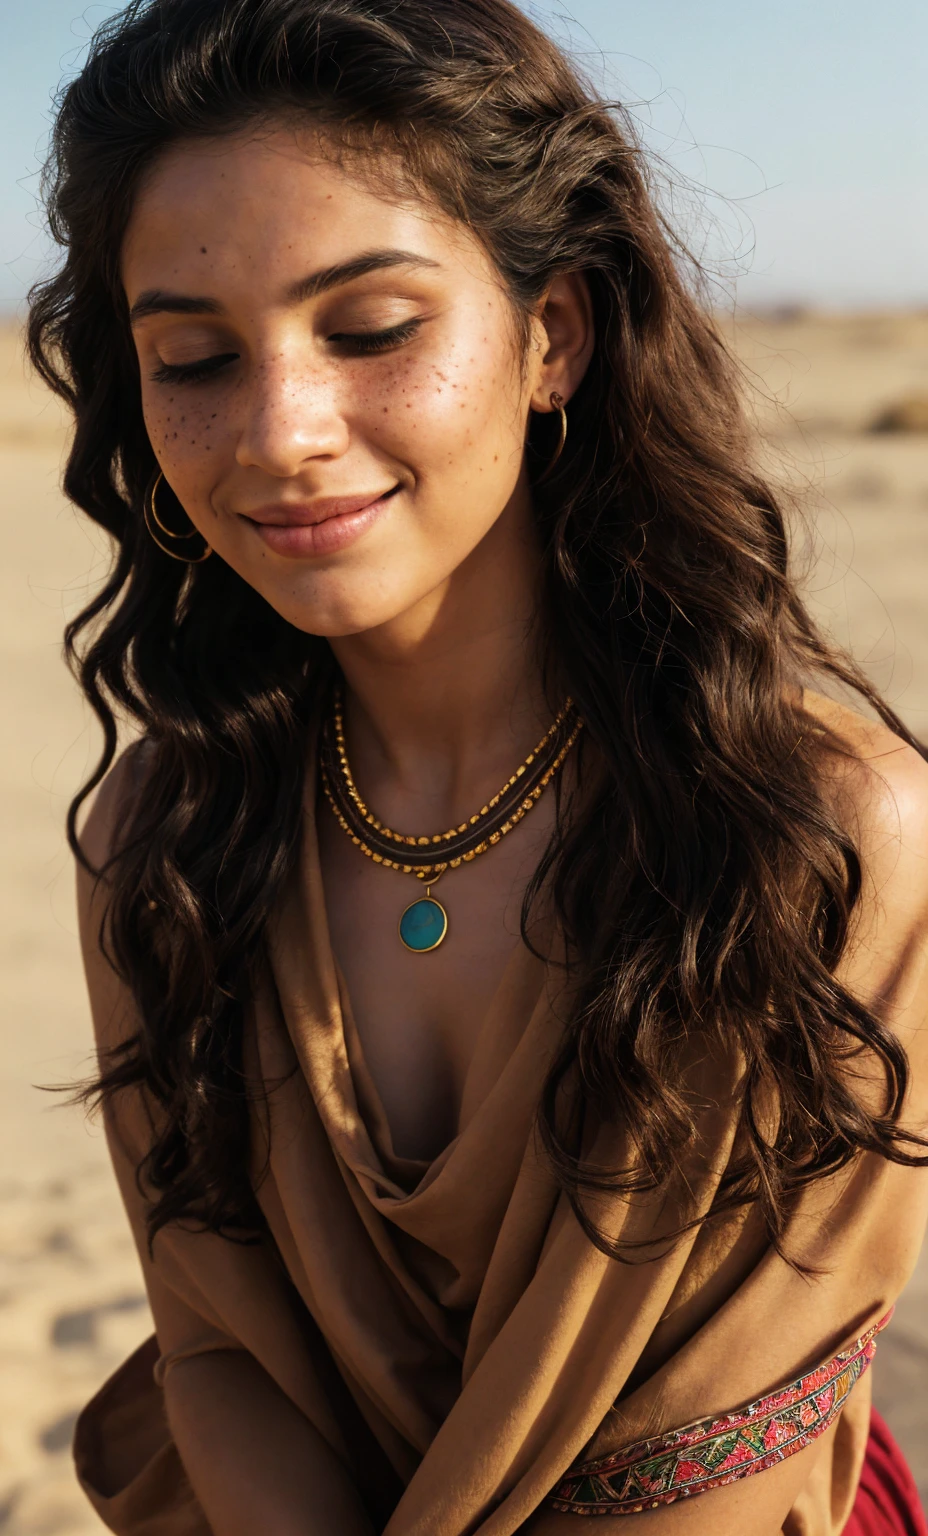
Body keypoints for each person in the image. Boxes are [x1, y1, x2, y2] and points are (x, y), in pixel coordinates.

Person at [28, 0, 928, 1531]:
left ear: (552, 335)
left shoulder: (813, 829)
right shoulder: (160, 839)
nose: (281, 430)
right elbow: (217, 1354)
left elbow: (703, 1458)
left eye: (371, 330)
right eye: (193, 356)